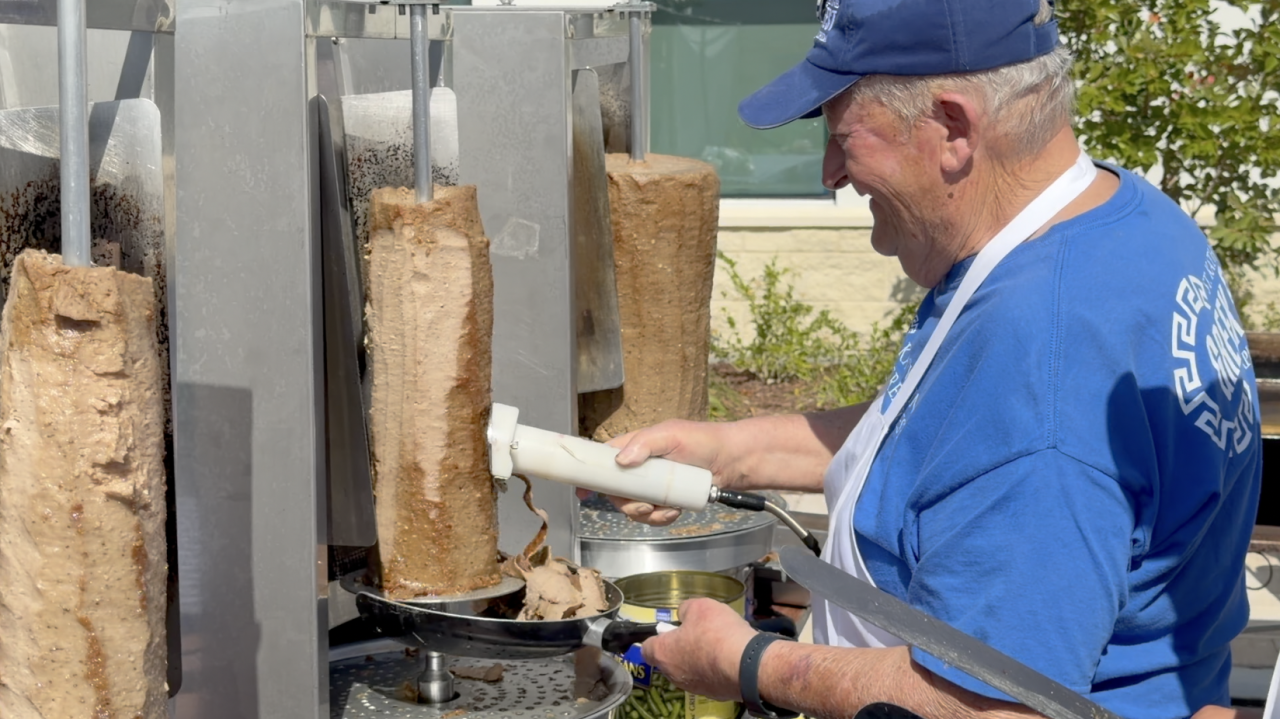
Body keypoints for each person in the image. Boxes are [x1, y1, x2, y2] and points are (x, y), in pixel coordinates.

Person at [588, 1, 1264, 718]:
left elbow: (992, 704)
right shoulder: (1120, 223)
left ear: (952, 129)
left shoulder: (1044, 358)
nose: (828, 173)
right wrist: (726, 452)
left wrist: (749, 661)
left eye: (844, 136)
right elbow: (950, 437)